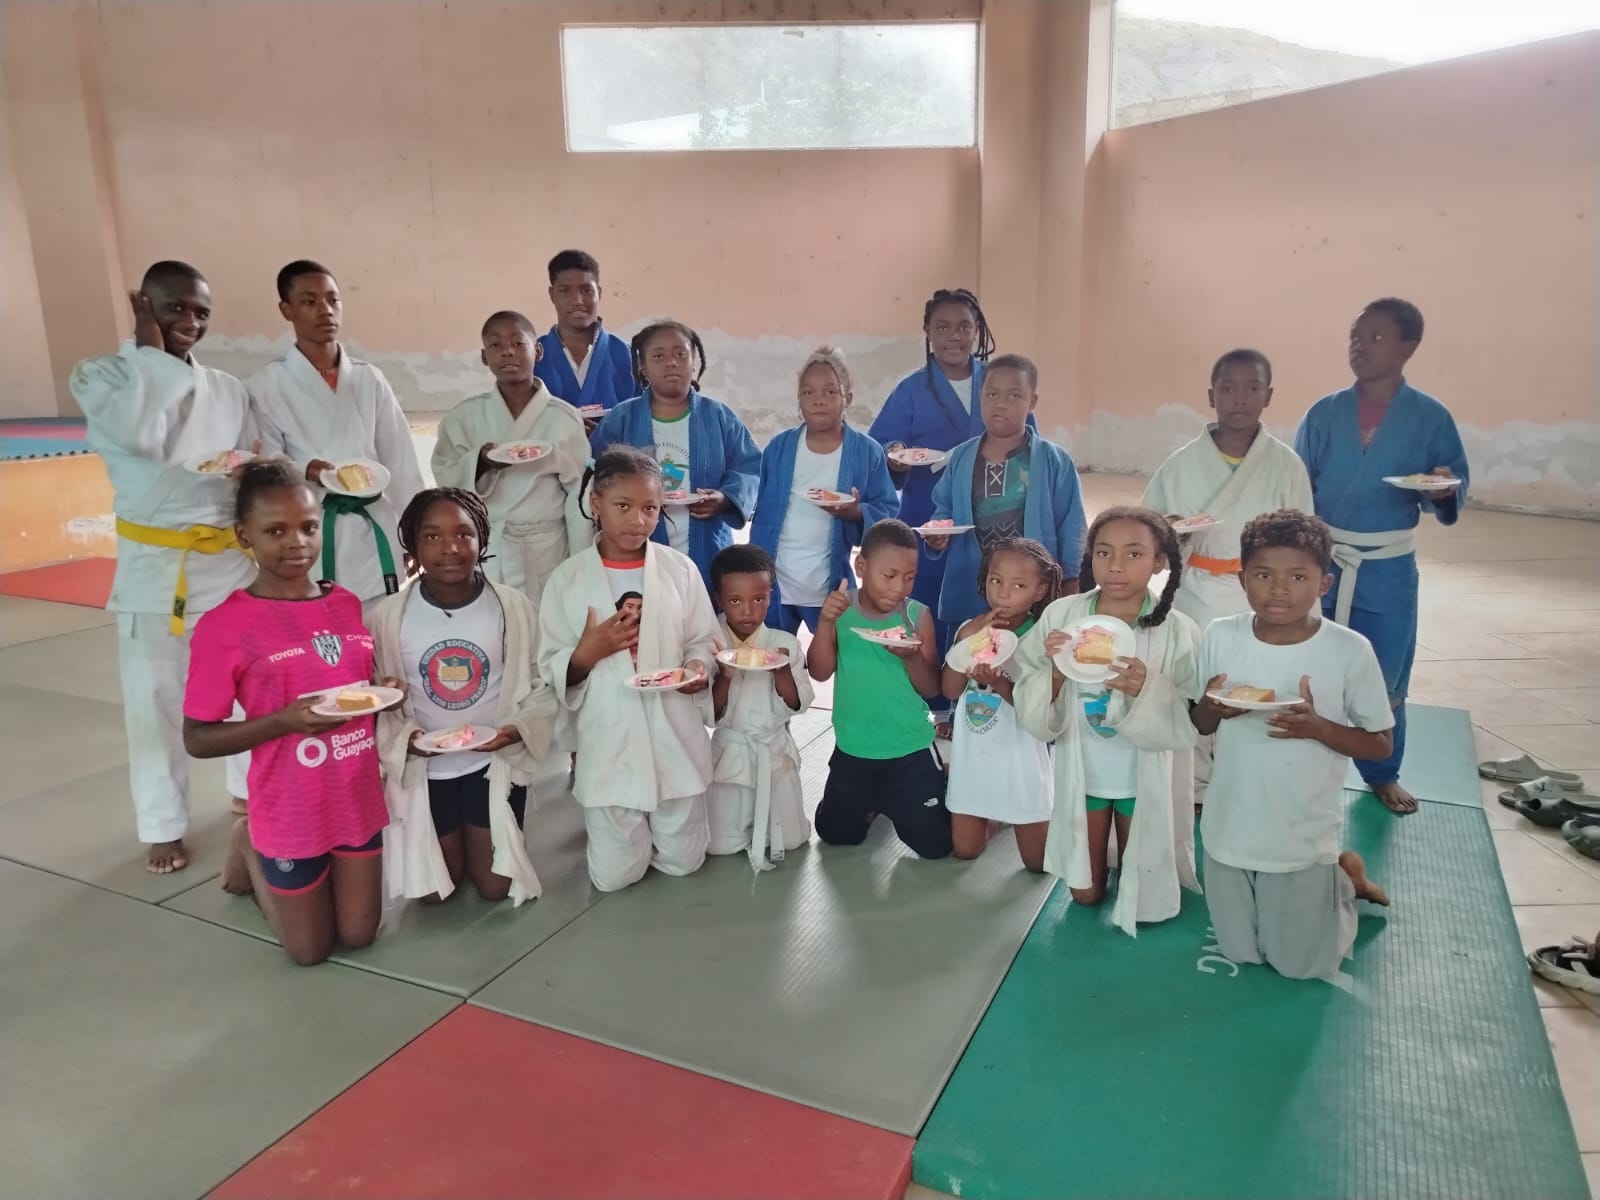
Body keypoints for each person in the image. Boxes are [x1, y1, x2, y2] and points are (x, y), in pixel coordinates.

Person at [71, 261, 257, 874]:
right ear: (143, 304)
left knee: (246, 688)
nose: (190, 322)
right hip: (156, 568)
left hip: (226, 561)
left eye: (201, 312)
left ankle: (247, 789)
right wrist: (150, 354)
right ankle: (162, 824)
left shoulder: (228, 388)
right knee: (154, 702)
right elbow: (137, 438)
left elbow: (247, 461)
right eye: (176, 307)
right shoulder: (101, 375)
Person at [183, 462, 392, 966]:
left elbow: (355, 690)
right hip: (289, 805)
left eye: (308, 527)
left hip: (356, 795)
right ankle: (249, 841)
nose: (296, 542)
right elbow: (197, 738)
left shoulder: (345, 604)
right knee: (309, 952)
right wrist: (284, 722)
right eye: (275, 531)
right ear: (244, 536)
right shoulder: (225, 626)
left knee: (359, 935)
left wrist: (384, 692)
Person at [1191, 510, 1394, 983]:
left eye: (1297, 577)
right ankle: (1332, 884)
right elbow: (1198, 723)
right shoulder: (1221, 635)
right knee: (1242, 953)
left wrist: (1319, 728)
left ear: (1324, 583)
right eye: (1263, 575)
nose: (1279, 590)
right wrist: (1212, 709)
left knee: (1300, 967)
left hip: (1300, 833)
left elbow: (1381, 745)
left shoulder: (1348, 650)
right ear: (1242, 579)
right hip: (1229, 827)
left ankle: (1344, 881)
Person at [1294, 298, 1468, 815]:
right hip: (1324, 557)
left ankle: (1382, 771)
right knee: (1309, 657)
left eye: (1375, 337)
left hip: (1388, 562)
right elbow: (1298, 484)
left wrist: (1443, 489)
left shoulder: (1431, 417)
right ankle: (1302, 757)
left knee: (1386, 667)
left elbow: (1450, 480)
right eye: (1355, 336)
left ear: (1408, 347)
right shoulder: (1324, 413)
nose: (1360, 346)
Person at [536, 447, 720, 893]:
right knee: (614, 877)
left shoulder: (679, 570)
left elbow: (702, 637)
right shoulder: (567, 579)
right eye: (623, 506)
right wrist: (587, 653)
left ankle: (670, 828)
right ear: (596, 503)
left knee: (683, 863)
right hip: (610, 738)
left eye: (650, 508)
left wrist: (698, 668)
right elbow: (550, 662)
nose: (638, 520)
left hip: (673, 733)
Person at [1012, 507, 1201, 936]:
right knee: (1085, 893)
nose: (1115, 565)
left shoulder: (1176, 629)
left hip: (1141, 774)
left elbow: (1192, 708)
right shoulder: (1064, 616)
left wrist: (1148, 688)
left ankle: (1136, 873)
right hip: (1086, 770)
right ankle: (1097, 872)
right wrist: (1054, 671)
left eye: (1133, 554)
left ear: (1159, 562)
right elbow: (1027, 675)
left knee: (1141, 887)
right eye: (1103, 552)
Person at [370, 488, 559, 905]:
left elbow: (540, 684)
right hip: (427, 769)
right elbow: (379, 699)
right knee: (434, 893)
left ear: (481, 538)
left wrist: (515, 730)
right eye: (432, 536)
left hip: (490, 763)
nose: (450, 547)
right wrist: (405, 739)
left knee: (496, 887)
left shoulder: (512, 607)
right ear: (413, 545)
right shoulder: (388, 618)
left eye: (463, 534)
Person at [1141, 348, 1313, 806]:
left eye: (1252, 388)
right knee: (1197, 684)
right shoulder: (1181, 463)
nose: (1240, 398)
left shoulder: (1286, 464)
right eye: (1228, 388)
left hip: (1264, 594)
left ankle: (1253, 776)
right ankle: (1196, 782)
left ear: (1268, 395)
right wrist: (1169, 532)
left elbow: (1303, 537)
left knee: (1259, 684)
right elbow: (1147, 529)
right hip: (1196, 590)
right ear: (1211, 395)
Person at [249, 259, 428, 605]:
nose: (325, 311)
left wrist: (416, 531)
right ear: (286, 309)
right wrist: (305, 470)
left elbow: (401, 462)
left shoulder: (368, 378)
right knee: (320, 626)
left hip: (373, 526)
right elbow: (263, 467)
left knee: (383, 627)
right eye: (309, 301)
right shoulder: (266, 385)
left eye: (333, 300)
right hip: (309, 530)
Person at [806, 519, 952, 859]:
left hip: (909, 749)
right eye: (890, 575)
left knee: (937, 847)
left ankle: (939, 778)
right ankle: (877, 802)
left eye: (909, 577)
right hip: (855, 749)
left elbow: (931, 687)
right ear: (861, 566)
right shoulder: (840, 611)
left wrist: (912, 656)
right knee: (835, 834)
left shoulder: (916, 616)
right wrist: (825, 622)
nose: (899, 588)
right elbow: (819, 672)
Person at [588, 320, 760, 592]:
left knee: (704, 610)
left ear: (694, 363)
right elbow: (595, 473)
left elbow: (750, 467)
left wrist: (724, 498)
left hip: (707, 548)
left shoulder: (719, 417)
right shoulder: (621, 419)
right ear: (643, 367)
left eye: (680, 354)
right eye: (658, 356)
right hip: (638, 545)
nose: (671, 362)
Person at [431, 310, 591, 601]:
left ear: (538, 351)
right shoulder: (463, 417)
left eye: (518, 343)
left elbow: (579, 493)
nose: (507, 352)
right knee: (493, 619)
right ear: (484, 356)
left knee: (548, 618)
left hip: (548, 546)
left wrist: (581, 560)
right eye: (496, 345)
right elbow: (446, 478)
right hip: (490, 545)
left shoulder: (562, 417)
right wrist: (480, 462)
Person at [924, 353, 1085, 629]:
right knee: (971, 649)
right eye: (992, 394)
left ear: (1032, 402)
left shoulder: (1054, 461)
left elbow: (1072, 526)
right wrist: (936, 537)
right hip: (971, 587)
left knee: (1030, 651)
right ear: (980, 397)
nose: (1000, 404)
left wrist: (1069, 583)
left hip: (1031, 592)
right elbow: (943, 509)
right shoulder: (961, 458)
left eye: (1014, 396)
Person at [748, 346, 899, 633]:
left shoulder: (867, 452)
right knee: (776, 653)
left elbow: (887, 513)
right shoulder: (779, 448)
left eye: (830, 391)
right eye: (808, 392)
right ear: (799, 399)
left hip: (829, 585)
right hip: (777, 583)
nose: (819, 400)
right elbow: (763, 513)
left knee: (834, 651)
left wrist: (856, 512)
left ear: (847, 399)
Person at [939, 538, 1060, 871]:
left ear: (1039, 591)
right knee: (965, 850)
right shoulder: (971, 629)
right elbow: (949, 690)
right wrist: (967, 641)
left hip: (1020, 761)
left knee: (1038, 864)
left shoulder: (1040, 639)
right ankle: (992, 817)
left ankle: (1014, 814)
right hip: (973, 758)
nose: (1004, 593)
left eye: (1019, 585)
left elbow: (1039, 711)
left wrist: (1000, 682)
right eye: (996, 581)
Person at [706, 544, 813, 871]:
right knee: (719, 846)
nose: (748, 611)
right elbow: (706, 713)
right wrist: (724, 677)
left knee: (792, 840)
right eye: (735, 601)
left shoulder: (784, 643)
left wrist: (781, 670)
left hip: (772, 749)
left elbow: (798, 704)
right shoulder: (709, 644)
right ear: (719, 598)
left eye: (759, 599)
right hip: (731, 753)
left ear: (770, 596)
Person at [534, 249, 636, 425]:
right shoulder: (532, 357)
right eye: (565, 291)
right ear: (552, 294)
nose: (577, 301)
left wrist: (607, 434)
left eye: (587, 290)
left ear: (599, 293)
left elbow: (644, 420)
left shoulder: (628, 355)